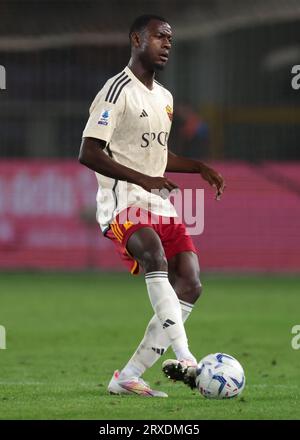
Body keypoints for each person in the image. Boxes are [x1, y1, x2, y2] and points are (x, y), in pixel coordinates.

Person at [79, 14, 225, 397]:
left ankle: (126, 376)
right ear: (136, 39)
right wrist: (142, 179)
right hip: (122, 201)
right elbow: (88, 152)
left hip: (156, 201)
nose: (167, 44)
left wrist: (197, 166)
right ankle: (186, 357)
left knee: (190, 283)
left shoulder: (165, 98)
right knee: (155, 259)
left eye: (170, 40)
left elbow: (157, 156)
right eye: (160, 37)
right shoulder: (115, 91)